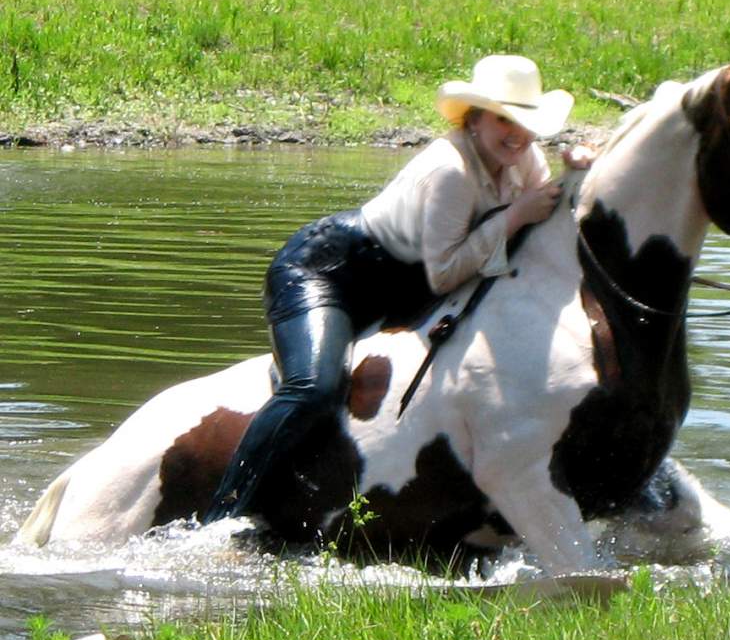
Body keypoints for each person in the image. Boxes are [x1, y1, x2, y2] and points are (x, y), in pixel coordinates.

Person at [203, 54, 593, 524]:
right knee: (314, 390)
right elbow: (446, 273)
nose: (518, 134)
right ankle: (221, 519)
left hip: (404, 288)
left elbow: (541, 213)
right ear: (474, 118)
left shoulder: (523, 158)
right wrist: (512, 217)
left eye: (526, 123)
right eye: (503, 120)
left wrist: (575, 173)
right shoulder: (450, 170)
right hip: (329, 274)